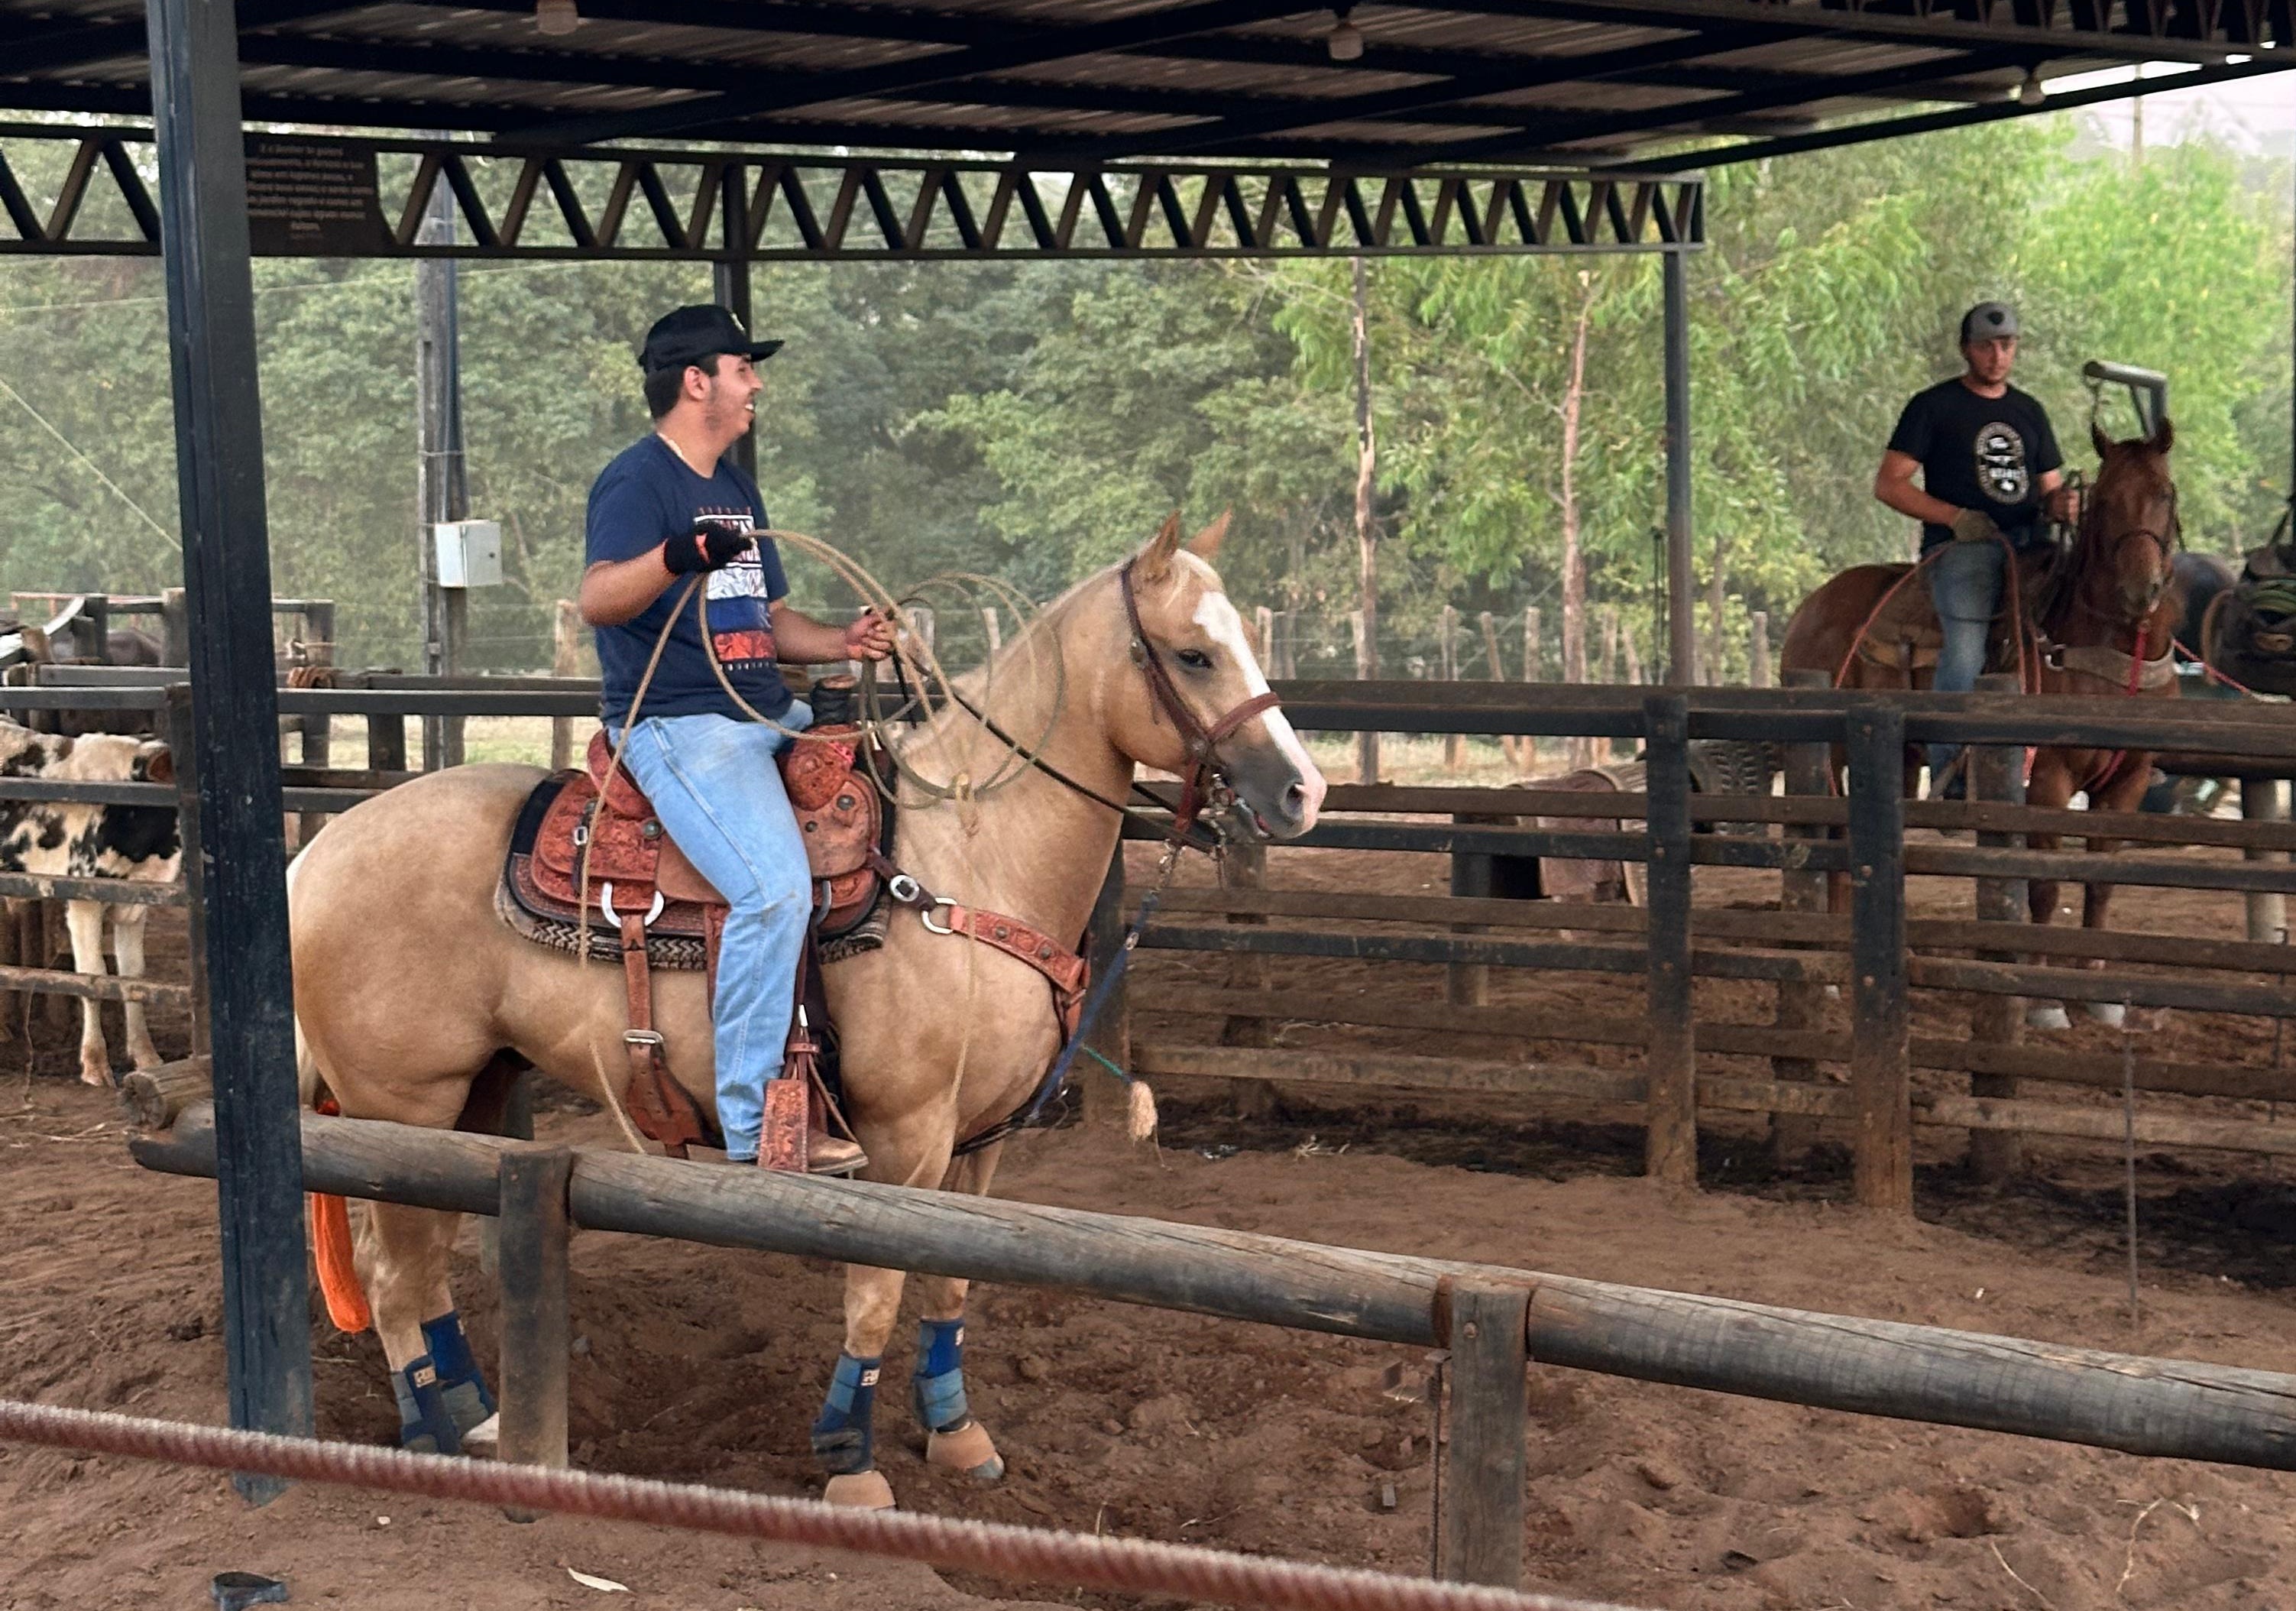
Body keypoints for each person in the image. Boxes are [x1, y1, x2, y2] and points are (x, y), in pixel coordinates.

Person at [578, 304, 895, 1172]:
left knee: (903, 812)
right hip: (680, 724)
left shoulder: (736, 487)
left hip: (766, 714)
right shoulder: (637, 482)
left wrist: (840, 641)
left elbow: (768, 614)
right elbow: (599, 597)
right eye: (743, 368)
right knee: (771, 891)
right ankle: (758, 1124)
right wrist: (680, 553)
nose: (755, 384)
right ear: (696, 381)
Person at [1874, 301, 2077, 796]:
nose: (1996, 355)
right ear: (1966, 349)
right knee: (1964, 652)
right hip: (1961, 550)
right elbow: (1889, 484)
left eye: (2006, 345)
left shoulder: (2028, 411)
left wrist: (2061, 504)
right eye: (1985, 346)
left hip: (2031, 546)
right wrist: (1954, 518)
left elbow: (2048, 485)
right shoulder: (1933, 406)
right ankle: (1950, 773)